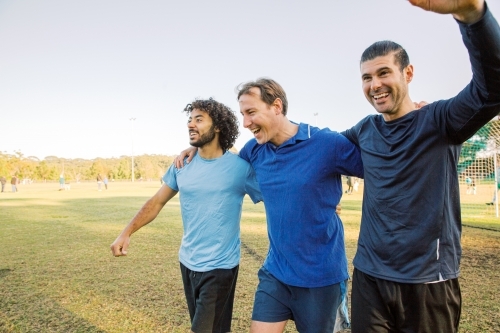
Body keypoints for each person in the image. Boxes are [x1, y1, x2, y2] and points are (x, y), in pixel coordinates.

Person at [341, 1, 500, 332]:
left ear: (408, 73)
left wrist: (473, 16)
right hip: (369, 276)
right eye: (367, 77)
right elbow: (318, 150)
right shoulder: (364, 130)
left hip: (428, 280)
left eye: (384, 72)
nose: (375, 85)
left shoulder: (440, 120)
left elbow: (491, 91)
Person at [177, 79, 363, 333]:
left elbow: (379, 167)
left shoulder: (326, 143)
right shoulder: (254, 150)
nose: (245, 123)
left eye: (251, 112)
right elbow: (224, 163)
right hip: (276, 273)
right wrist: (196, 147)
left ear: (276, 106)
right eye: (243, 114)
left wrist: (410, 119)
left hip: (321, 277)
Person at [111, 98, 263, 333]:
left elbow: (277, 195)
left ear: (218, 126)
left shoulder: (240, 168)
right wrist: (126, 232)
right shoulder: (182, 164)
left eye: (199, 120)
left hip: (220, 266)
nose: (191, 124)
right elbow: (157, 201)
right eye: (190, 119)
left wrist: (322, 203)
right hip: (188, 262)